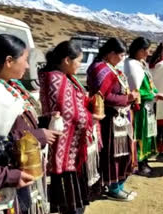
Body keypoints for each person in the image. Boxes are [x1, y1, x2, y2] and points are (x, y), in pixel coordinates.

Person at [0, 34, 60, 214]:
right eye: (25, 59)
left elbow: (17, 121)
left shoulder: (10, 85)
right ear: (9, 61)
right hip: (1, 180)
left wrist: (44, 120)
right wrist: (36, 136)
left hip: (15, 173)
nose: (28, 66)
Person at [39, 40, 95, 213]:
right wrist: (92, 117)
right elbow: (67, 112)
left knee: (71, 176)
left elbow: (76, 103)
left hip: (72, 139)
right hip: (64, 139)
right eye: (78, 60)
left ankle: (72, 206)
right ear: (66, 60)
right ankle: (70, 208)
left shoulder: (66, 76)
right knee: (65, 176)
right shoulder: (54, 78)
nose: (80, 64)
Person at [87, 38, 139, 201]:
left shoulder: (110, 68)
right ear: (111, 54)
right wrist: (127, 98)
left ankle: (118, 185)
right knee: (114, 154)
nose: (123, 58)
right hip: (109, 119)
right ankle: (114, 188)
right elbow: (102, 97)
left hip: (120, 117)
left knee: (122, 152)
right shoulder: (99, 69)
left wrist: (129, 97)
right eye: (121, 55)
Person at [124, 37, 160, 176]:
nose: (149, 53)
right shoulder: (132, 65)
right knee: (140, 134)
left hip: (148, 106)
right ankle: (138, 162)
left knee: (149, 133)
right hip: (139, 108)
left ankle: (144, 160)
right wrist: (153, 95)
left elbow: (148, 84)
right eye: (147, 50)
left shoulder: (140, 63)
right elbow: (134, 90)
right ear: (139, 50)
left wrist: (156, 93)